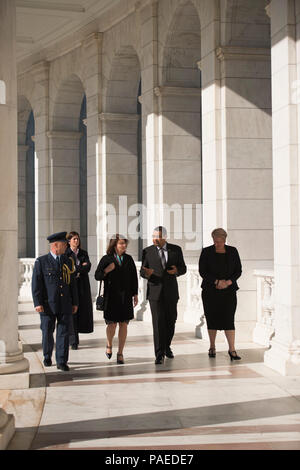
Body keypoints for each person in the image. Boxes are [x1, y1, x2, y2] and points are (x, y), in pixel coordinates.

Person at [31, 232, 78, 371]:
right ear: (56, 245)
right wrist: (37, 303)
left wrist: (75, 302)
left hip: (64, 303)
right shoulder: (42, 261)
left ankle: (62, 361)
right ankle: (47, 356)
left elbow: (72, 284)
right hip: (47, 304)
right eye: (64, 244)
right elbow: (36, 284)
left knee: (63, 332)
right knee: (47, 332)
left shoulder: (68, 261)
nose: (67, 246)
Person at [140, 226, 187, 364]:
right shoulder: (147, 251)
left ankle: (167, 346)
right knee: (158, 323)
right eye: (153, 236)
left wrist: (177, 270)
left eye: (158, 236)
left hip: (171, 292)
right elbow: (142, 271)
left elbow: (183, 268)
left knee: (171, 321)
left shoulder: (176, 250)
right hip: (155, 292)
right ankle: (159, 354)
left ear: (165, 237)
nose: (155, 239)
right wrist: (146, 273)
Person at [198, 228, 242, 360]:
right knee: (211, 318)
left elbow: (238, 271)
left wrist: (228, 282)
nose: (217, 244)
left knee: (229, 319)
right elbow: (202, 271)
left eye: (220, 241)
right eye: (215, 241)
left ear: (224, 239)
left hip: (229, 291)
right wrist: (216, 281)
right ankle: (212, 346)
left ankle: (232, 349)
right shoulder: (206, 252)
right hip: (210, 291)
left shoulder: (233, 251)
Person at [94, 234, 138, 364]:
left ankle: (120, 352)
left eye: (125, 243)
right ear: (114, 245)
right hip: (111, 298)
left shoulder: (129, 259)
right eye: (121, 244)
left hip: (125, 298)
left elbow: (134, 278)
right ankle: (109, 344)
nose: (124, 246)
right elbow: (97, 275)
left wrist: (135, 294)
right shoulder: (106, 259)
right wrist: (107, 270)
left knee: (124, 324)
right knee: (112, 324)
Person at [66, 231, 94, 349]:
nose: (76, 241)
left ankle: (77, 336)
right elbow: (69, 269)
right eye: (74, 239)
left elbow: (87, 267)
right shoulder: (66, 254)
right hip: (70, 287)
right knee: (72, 312)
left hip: (82, 286)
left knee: (82, 311)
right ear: (69, 241)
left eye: (77, 239)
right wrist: (80, 268)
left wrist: (76, 269)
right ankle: (73, 341)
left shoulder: (83, 253)